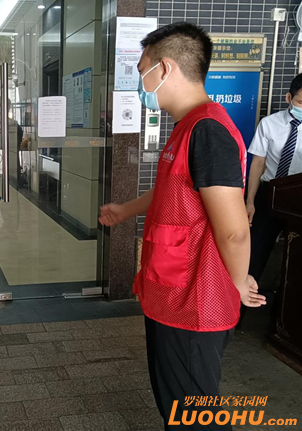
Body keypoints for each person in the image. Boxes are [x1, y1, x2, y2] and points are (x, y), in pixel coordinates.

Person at [99, 22, 266, 430]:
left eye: (142, 71)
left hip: (196, 301)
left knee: (194, 413)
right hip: (173, 293)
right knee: (175, 402)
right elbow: (173, 190)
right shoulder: (187, 127)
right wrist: (126, 209)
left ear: (166, 68)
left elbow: (234, 230)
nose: (141, 82)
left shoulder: (208, 131)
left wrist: (237, 282)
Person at [246, 74, 302, 285]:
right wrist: (250, 201)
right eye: (300, 102)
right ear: (289, 98)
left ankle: (286, 304)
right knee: (255, 253)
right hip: (269, 194)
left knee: (296, 258)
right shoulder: (269, 124)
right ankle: (241, 300)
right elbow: (258, 163)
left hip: (299, 197)